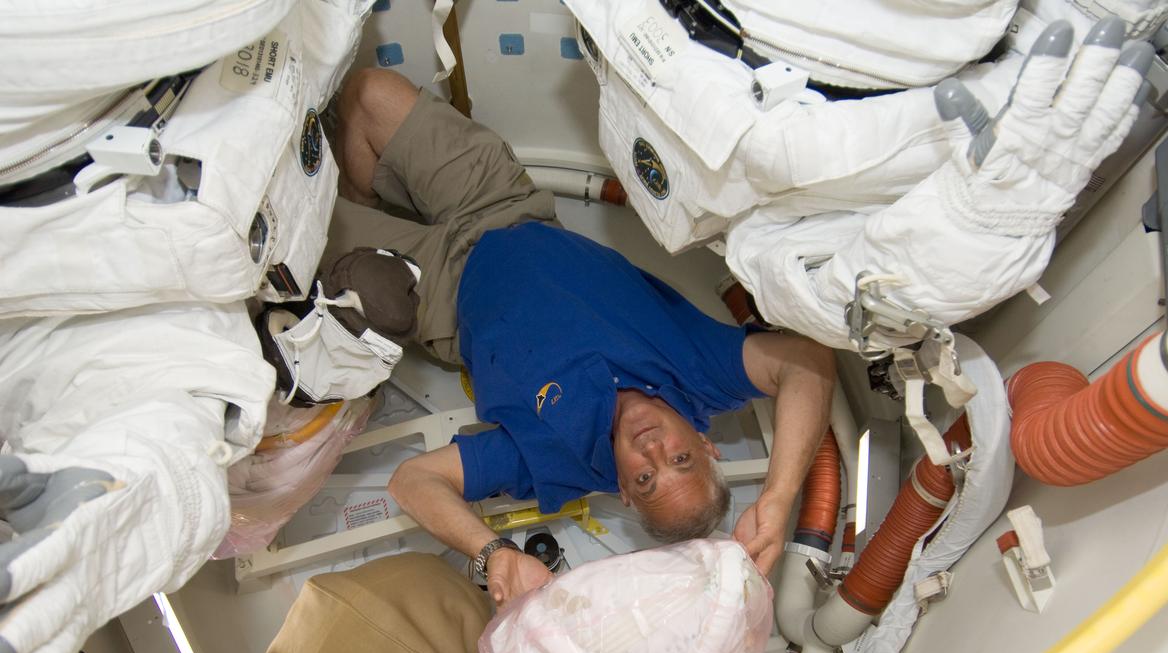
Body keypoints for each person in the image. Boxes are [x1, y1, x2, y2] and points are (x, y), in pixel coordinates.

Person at [325, 68, 834, 607]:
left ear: (623, 491)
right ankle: (367, 201)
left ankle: (365, 219)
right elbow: (807, 362)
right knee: (369, 94)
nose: (653, 451)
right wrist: (779, 497)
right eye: (681, 460)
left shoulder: (557, 462)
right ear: (706, 445)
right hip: (505, 205)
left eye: (645, 479)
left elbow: (412, 480)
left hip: (436, 290)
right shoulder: (704, 374)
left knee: (298, 227)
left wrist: (492, 553)